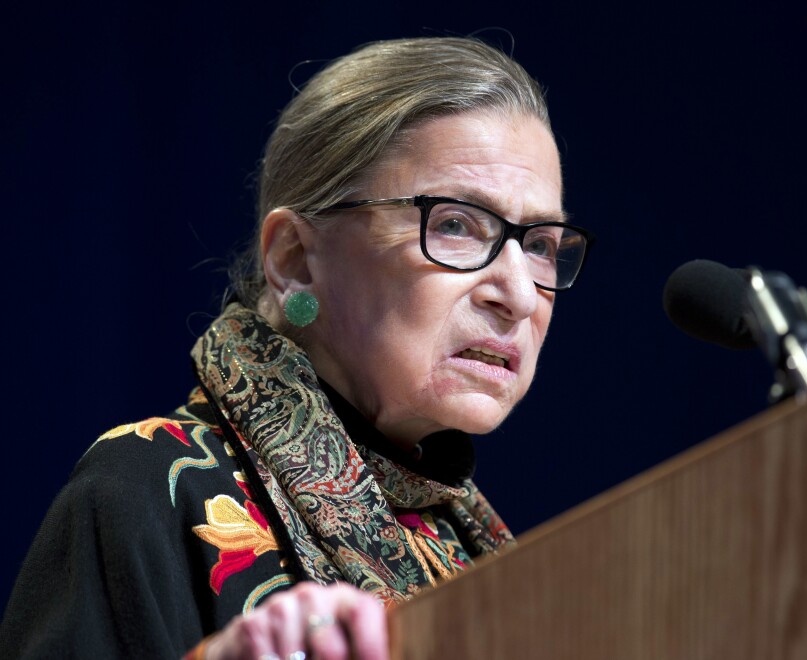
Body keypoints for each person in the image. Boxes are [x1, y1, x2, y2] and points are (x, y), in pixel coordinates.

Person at [0, 36, 595, 659]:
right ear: (295, 260)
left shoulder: (466, 541)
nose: (520, 295)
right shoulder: (145, 491)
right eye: (454, 224)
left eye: (541, 244)